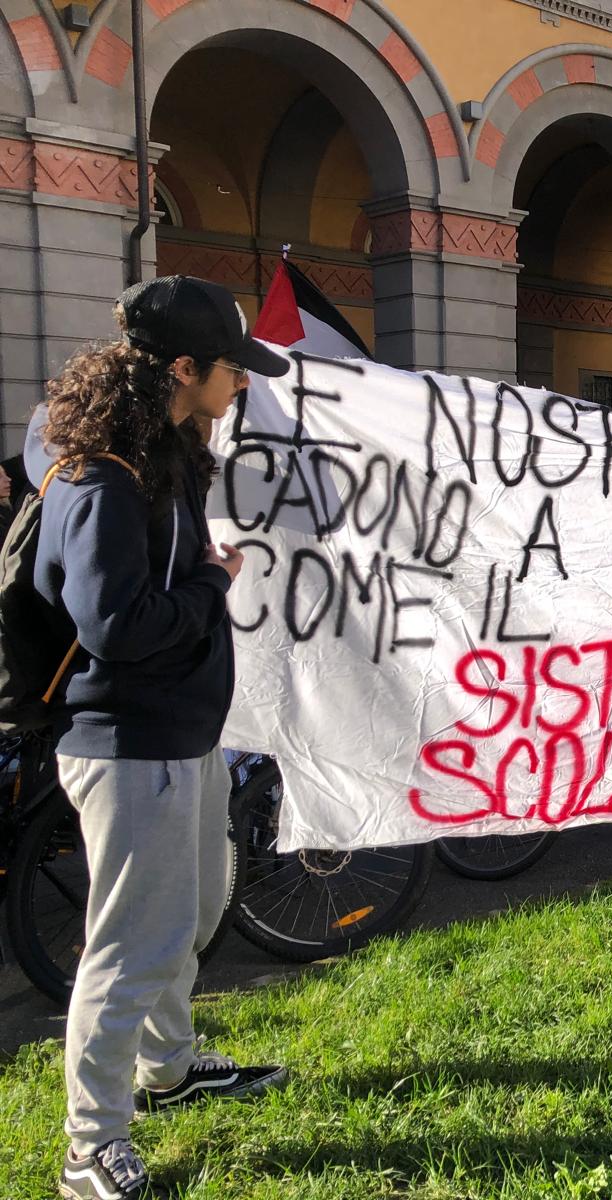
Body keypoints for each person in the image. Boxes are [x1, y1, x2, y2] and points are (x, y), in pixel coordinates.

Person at [35, 277, 293, 1200]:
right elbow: (118, 626)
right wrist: (210, 589)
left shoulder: (161, 461)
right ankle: (89, 1146)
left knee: (190, 913)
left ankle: (170, 1067)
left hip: (181, 740)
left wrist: (200, 572)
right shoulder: (104, 479)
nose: (241, 389)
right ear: (183, 369)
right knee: (131, 946)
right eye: (232, 370)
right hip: (130, 747)